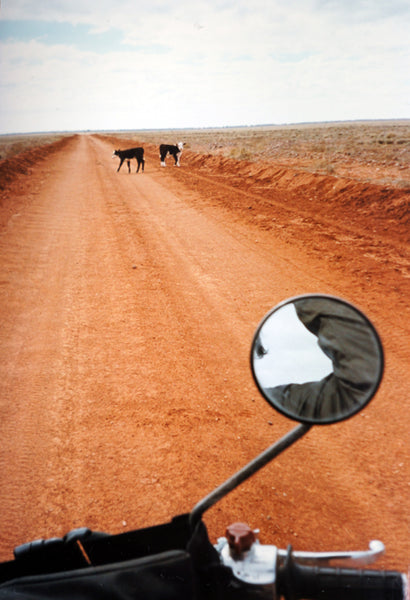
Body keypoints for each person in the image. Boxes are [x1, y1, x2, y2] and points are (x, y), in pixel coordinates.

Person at [261, 297, 381, 421]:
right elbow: (358, 375)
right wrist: (307, 302)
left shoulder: (277, 400)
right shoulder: (283, 401)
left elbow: (357, 377)